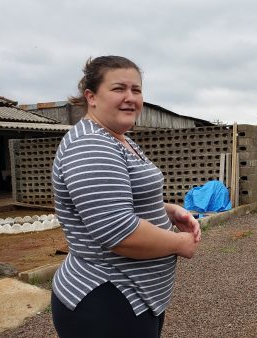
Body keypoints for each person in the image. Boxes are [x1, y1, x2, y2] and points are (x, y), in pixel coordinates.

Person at [50, 55, 201, 338]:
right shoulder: (90, 145)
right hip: (106, 299)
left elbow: (125, 198)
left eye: (137, 90)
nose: (130, 98)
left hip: (131, 296)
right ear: (91, 96)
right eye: (119, 88)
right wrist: (181, 243)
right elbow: (119, 232)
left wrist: (169, 211)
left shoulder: (119, 138)